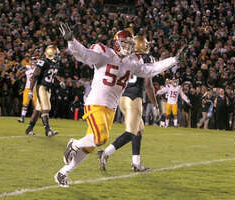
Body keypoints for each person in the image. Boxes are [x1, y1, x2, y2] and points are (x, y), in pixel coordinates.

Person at [55, 23, 189, 187]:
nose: (128, 46)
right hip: (96, 102)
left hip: (110, 107)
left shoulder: (131, 61)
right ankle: (74, 144)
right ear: (117, 42)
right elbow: (84, 55)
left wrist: (174, 60)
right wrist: (71, 41)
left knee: (90, 146)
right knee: (100, 138)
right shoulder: (104, 53)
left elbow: (151, 69)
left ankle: (63, 173)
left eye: (130, 44)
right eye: (125, 42)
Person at [96, 35, 161, 172]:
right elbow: (148, 85)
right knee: (131, 132)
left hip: (122, 97)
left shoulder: (127, 58)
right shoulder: (145, 59)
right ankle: (105, 153)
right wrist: (155, 105)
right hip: (133, 98)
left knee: (139, 129)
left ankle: (136, 163)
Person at [25, 45, 61, 136]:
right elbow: (35, 76)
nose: (57, 55)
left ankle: (29, 130)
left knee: (37, 110)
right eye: (55, 54)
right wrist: (30, 90)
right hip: (41, 87)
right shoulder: (43, 62)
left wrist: (59, 82)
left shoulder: (56, 63)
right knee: (46, 108)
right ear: (49, 54)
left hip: (48, 88)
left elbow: (52, 76)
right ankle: (48, 130)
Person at [16, 57, 37, 123]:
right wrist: (19, 70)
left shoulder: (38, 68)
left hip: (35, 88)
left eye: (35, 61)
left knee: (35, 105)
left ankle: (34, 119)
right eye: (33, 60)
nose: (34, 62)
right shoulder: (27, 67)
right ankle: (22, 118)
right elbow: (17, 76)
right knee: (25, 103)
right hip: (27, 88)